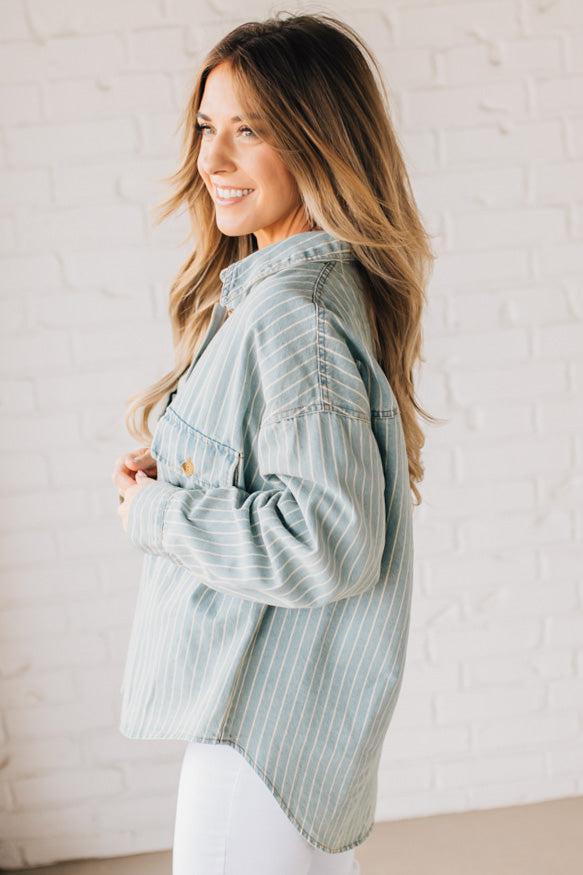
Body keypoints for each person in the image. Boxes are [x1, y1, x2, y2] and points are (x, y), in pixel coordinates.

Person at [112, 11, 436, 875]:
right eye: (206, 128)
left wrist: (155, 512)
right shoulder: (287, 296)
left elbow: (326, 544)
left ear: (319, 142)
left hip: (257, 744)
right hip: (280, 736)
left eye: (247, 131)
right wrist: (183, 477)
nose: (211, 161)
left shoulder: (290, 318)